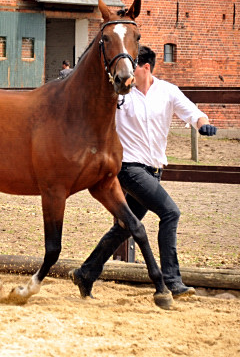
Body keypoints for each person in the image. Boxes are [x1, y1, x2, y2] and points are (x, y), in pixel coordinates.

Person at [70, 46, 217, 298]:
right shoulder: (121, 95)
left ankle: (85, 273)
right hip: (128, 168)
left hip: (154, 170)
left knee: (125, 227)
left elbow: (193, 112)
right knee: (170, 212)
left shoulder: (167, 91)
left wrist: (204, 125)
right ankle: (172, 280)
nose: (127, 70)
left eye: (133, 66)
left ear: (146, 68)